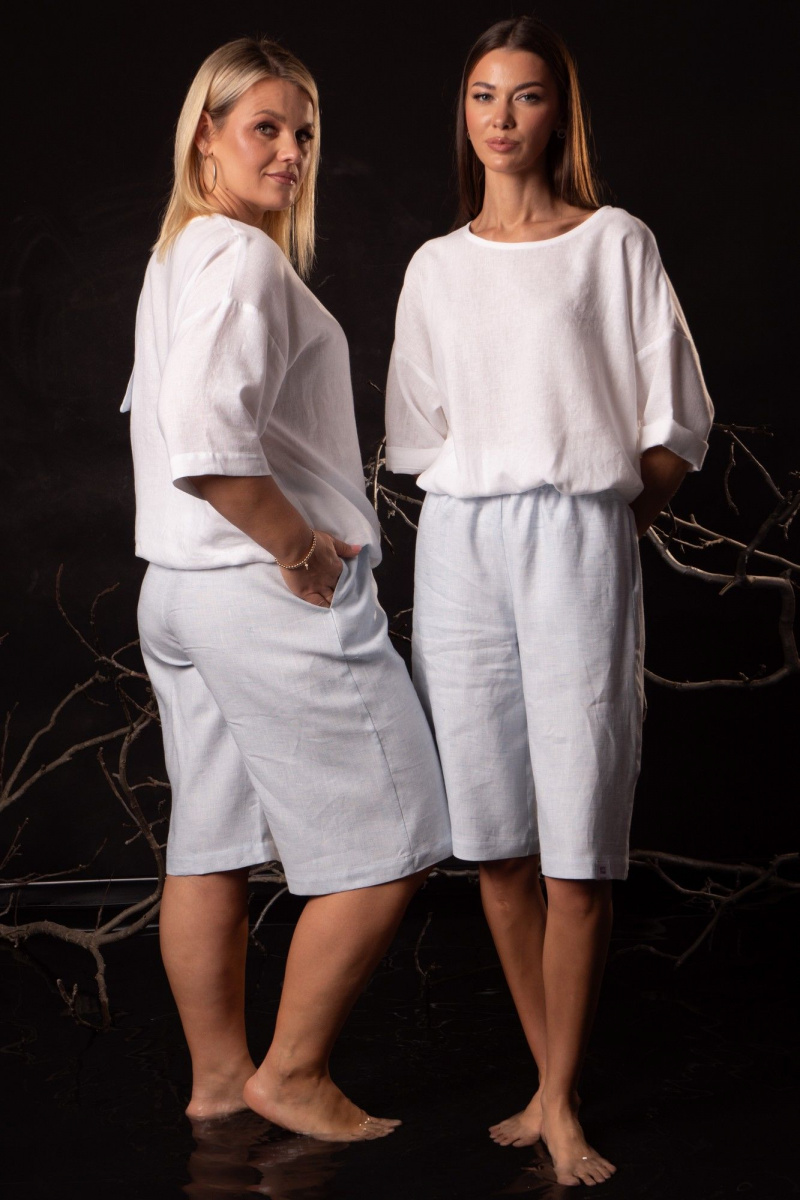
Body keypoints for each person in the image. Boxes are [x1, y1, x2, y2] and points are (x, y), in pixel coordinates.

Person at [385, 15, 713, 1187]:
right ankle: (545, 1082)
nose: (501, 117)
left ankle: (561, 1100)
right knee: (493, 841)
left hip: (576, 534)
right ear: (463, 112)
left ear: (556, 113)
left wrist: (609, 524)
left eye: (524, 95)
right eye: (482, 95)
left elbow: (675, 419)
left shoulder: (612, 241)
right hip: (461, 545)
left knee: (576, 840)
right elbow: (416, 433)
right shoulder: (434, 266)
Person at [122, 36, 451, 1142]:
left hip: (179, 593)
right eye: (264, 127)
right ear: (204, 139)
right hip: (262, 593)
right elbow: (206, 446)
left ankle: (221, 1082)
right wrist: (302, 550)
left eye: (303, 132)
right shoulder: (240, 261)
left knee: (211, 842)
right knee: (402, 831)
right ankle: (293, 1074)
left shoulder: (179, 259)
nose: (290, 151)